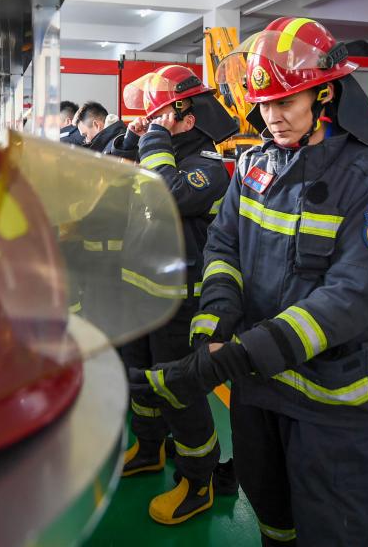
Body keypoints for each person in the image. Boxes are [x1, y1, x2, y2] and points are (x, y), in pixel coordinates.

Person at [130, 17, 368, 546]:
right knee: (273, 523)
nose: (272, 118)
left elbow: (352, 300)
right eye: (263, 105)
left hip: (334, 409)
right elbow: (223, 249)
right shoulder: (255, 165)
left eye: (287, 102)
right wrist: (210, 330)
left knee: (334, 534)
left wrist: (227, 360)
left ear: (325, 94)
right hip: (260, 397)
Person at [112, 65, 240, 525]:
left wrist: (153, 144)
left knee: (178, 394)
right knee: (139, 382)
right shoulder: (153, 155)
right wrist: (133, 139)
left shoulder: (210, 169)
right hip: (138, 297)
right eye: (153, 117)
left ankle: (198, 480)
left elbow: (163, 198)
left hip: (178, 304)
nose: (156, 123)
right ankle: (149, 450)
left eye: (164, 115)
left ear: (189, 117)